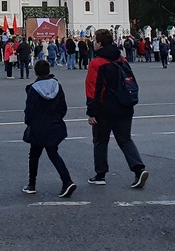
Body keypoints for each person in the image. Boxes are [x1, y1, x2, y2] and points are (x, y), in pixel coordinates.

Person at [85, 29, 149, 188]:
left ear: (99, 43)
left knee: (100, 141)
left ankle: (100, 174)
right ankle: (138, 169)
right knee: (125, 139)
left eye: (95, 40)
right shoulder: (122, 59)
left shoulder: (97, 63)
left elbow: (93, 89)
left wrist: (91, 112)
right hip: (125, 105)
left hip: (105, 109)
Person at [22, 59, 76, 198]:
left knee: (34, 155)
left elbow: (29, 111)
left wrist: (29, 122)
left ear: (36, 72)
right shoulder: (57, 85)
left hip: (38, 126)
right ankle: (67, 181)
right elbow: (63, 107)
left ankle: (32, 184)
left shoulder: (34, 89)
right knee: (53, 153)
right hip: (54, 124)